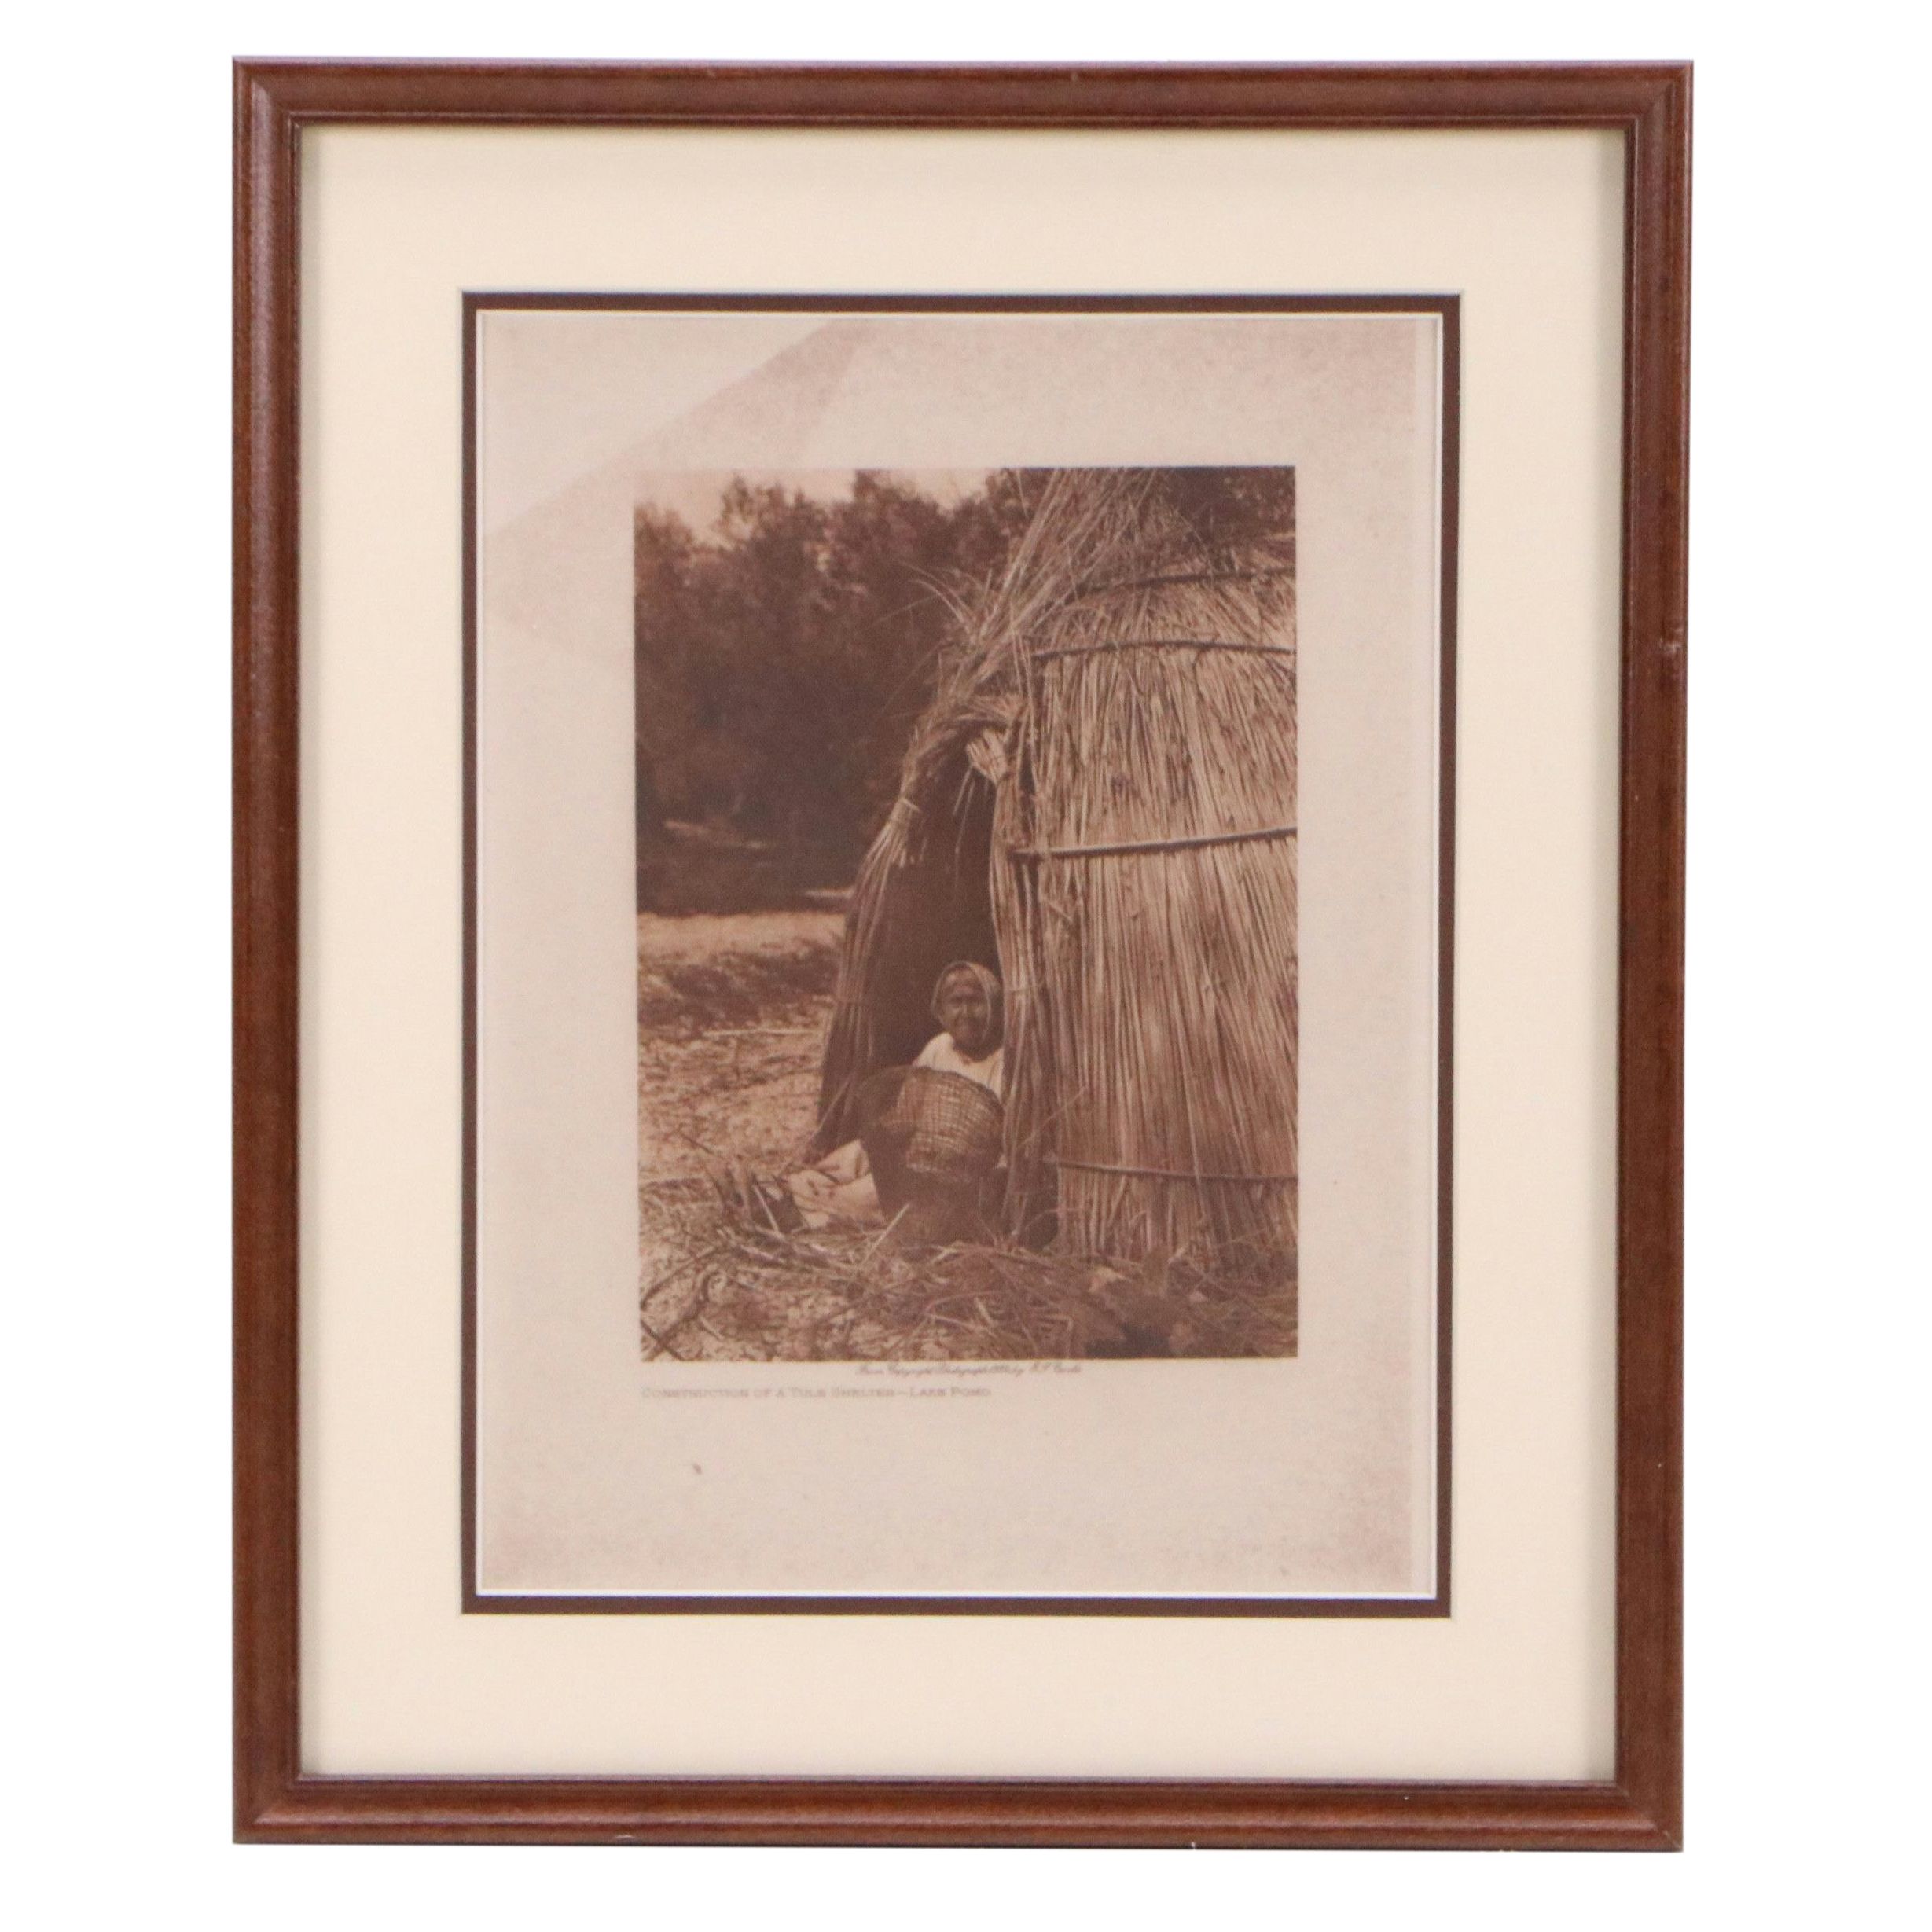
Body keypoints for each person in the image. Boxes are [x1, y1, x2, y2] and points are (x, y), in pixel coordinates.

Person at [788, 961, 1005, 1229]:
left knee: (871, 1193)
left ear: (994, 1005)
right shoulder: (939, 1048)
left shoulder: (1004, 1062)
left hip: (954, 1178)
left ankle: (811, 1206)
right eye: (956, 1002)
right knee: (858, 1152)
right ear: (940, 1011)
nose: (966, 1013)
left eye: (975, 1001)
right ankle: (804, 1188)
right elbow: (908, 1107)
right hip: (917, 1154)